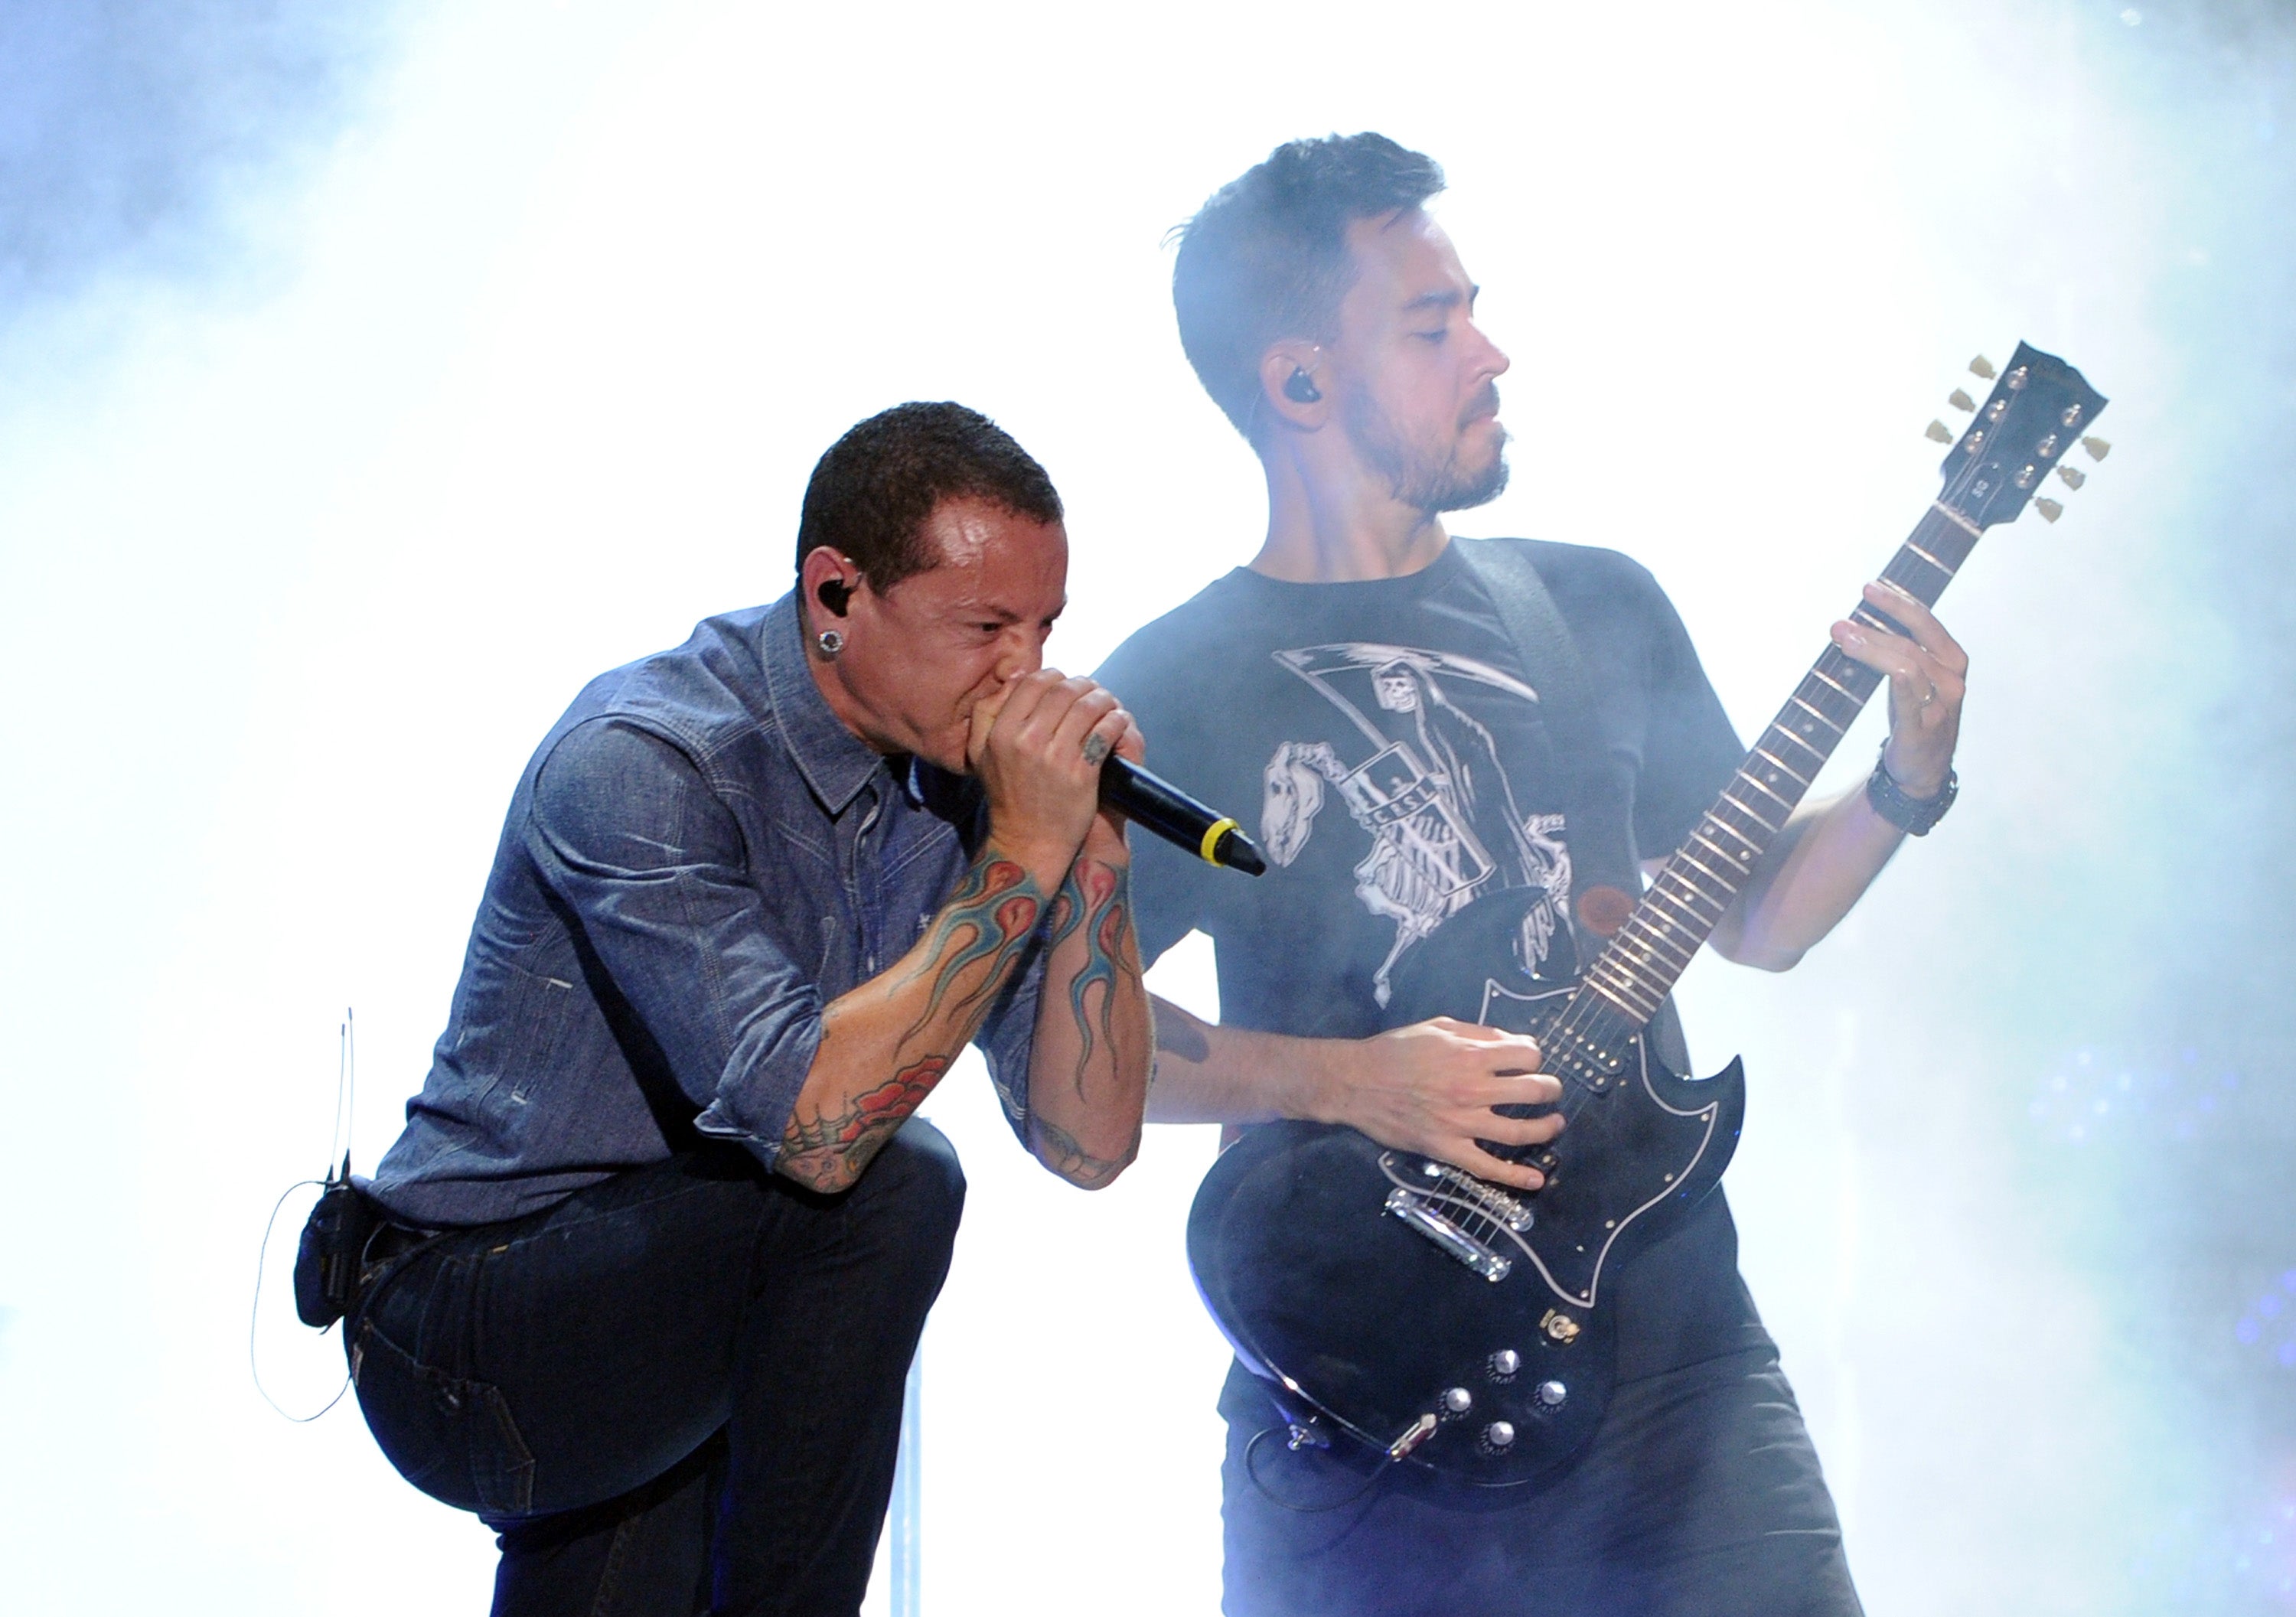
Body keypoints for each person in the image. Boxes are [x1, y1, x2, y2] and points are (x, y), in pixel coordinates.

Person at [1095, 135, 1968, 1616]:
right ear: (1300, 382)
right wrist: (1352, 1080)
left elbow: (1755, 916)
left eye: (1471, 309)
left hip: (1682, 1360)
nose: (1491, 353)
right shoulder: (1175, 689)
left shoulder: (1589, 599)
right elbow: (1078, 1057)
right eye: (1432, 329)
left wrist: (1910, 772)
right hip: (1371, 1383)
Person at [350, 402, 1153, 1615]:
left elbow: (1090, 1143)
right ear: (836, 594)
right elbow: (822, 1137)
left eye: (1045, 629)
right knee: (893, 1181)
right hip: (470, 1323)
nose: (1025, 672)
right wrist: (1024, 850)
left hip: (701, 1301)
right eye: (985, 625)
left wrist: (1090, 856)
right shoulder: (648, 755)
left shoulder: (974, 799)